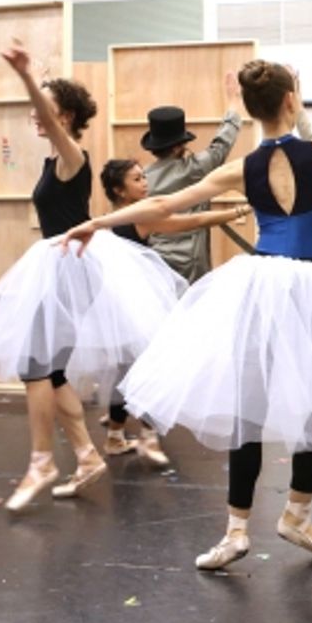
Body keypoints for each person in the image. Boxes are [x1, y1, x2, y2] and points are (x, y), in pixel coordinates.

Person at [60, 25, 312, 571]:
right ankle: (296, 515)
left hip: (258, 284)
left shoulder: (240, 168)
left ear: (250, 106)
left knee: (250, 409)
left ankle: (240, 529)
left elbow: (164, 208)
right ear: (292, 100)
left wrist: (97, 220)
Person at [0, 44, 186, 512]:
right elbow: (50, 111)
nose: (36, 116)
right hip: (61, 265)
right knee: (49, 370)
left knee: (35, 366)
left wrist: (25, 78)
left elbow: (53, 119)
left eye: (46, 108)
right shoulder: (54, 159)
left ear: (67, 115)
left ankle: (43, 460)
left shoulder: (72, 155)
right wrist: (38, 78)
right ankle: (83, 455)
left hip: (69, 268)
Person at [96, 159, 252, 465]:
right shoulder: (139, 217)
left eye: (144, 177)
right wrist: (238, 211)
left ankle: (116, 435)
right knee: (149, 365)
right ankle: (147, 435)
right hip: (135, 301)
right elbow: (189, 222)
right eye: (137, 179)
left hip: (117, 302)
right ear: (119, 190)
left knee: (125, 367)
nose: (145, 183)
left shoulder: (106, 219)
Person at [141, 81, 244, 282]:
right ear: (180, 145)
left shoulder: (142, 178)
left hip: (155, 260)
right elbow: (222, 143)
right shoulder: (195, 168)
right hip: (192, 263)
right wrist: (234, 102)